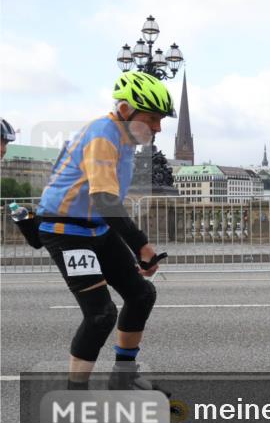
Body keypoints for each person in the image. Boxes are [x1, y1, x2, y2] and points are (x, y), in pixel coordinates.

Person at [36, 71, 174, 391]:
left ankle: (123, 378)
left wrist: (138, 249)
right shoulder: (103, 134)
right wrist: (141, 245)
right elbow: (105, 200)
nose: (158, 127)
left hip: (95, 229)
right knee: (100, 315)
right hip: (66, 231)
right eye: (152, 118)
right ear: (125, 110)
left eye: (160, 120)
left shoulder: (125, 138)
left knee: (141, 295)